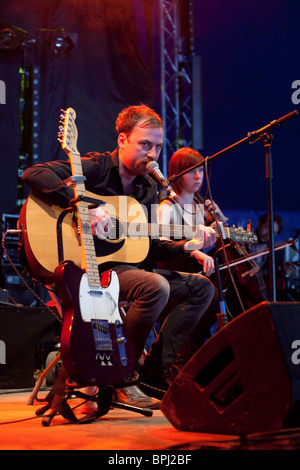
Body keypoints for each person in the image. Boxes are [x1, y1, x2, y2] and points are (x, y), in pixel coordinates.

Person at [22, 104, 217, 407]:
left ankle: (151, 372)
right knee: (156, 287)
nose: (152, 154)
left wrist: (189, 247)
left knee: (202, 287)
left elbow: (146, 246)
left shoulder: (148, 188)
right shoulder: (96, 167)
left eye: (157, 147)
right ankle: (120, 373)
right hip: (85, 267)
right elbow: (34, 174)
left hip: (125, 271)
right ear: (123, 140)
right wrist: (81, 205)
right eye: (145, 144)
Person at [156, 146, 228, 277]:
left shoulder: (200, 206)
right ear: (176, 174)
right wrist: (196, 252)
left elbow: (223, 239)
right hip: (173, 275)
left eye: (200, 170)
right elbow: (161, 246)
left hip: (198, 272)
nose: (198, 176)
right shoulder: (166, 207)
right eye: (191, 171)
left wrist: (221, 218)